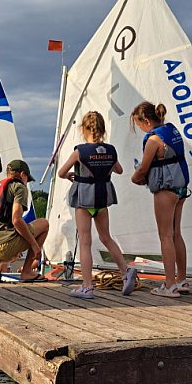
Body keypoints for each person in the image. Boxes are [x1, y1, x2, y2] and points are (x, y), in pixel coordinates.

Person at [58, 111, 137, 299]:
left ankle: (86, 287)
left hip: (85, 199)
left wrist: (70, 176)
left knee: (85, 242)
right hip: (102, 198)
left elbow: (62, 172)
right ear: (102, 129)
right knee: (106, 237)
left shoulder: (80, 151)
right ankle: (125, 271)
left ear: (83, 129)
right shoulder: (110, 150)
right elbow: (119, 170)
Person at [130, 101, 190, 298]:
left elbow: (143, 169)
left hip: (166, 190)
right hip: (181, 189)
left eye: (139, 125)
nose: (139, 129)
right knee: (176, 234)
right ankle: (181, 280)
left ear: (146, 121)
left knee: (165, 236)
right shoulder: (172, 132)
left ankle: (170, 285)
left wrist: (135, 178)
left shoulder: (153, 141)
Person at [0, 159, 48, 281]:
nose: (27, 183)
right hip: (3, 247)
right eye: (27, 180)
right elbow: (16, 220)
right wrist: (35, 245)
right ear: (22, 175)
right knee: (43, 224)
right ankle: (27, 272)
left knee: (0, 229)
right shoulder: (19, 187)